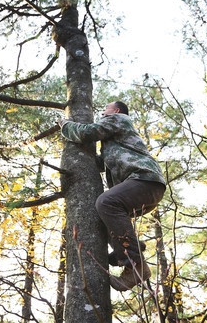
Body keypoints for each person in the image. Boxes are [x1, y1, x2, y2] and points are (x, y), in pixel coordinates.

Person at [59, 101, 166, 291]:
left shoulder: (118, 119)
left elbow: (86, 133)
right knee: (102, 212)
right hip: (141, 186)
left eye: (105, 108)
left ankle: (134, 265)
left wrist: (66, 126)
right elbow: (104, 163)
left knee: (106, 202)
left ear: (115, 111)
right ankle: (128, 248)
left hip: (143, 179)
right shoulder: (114, 139)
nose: (102, 111)